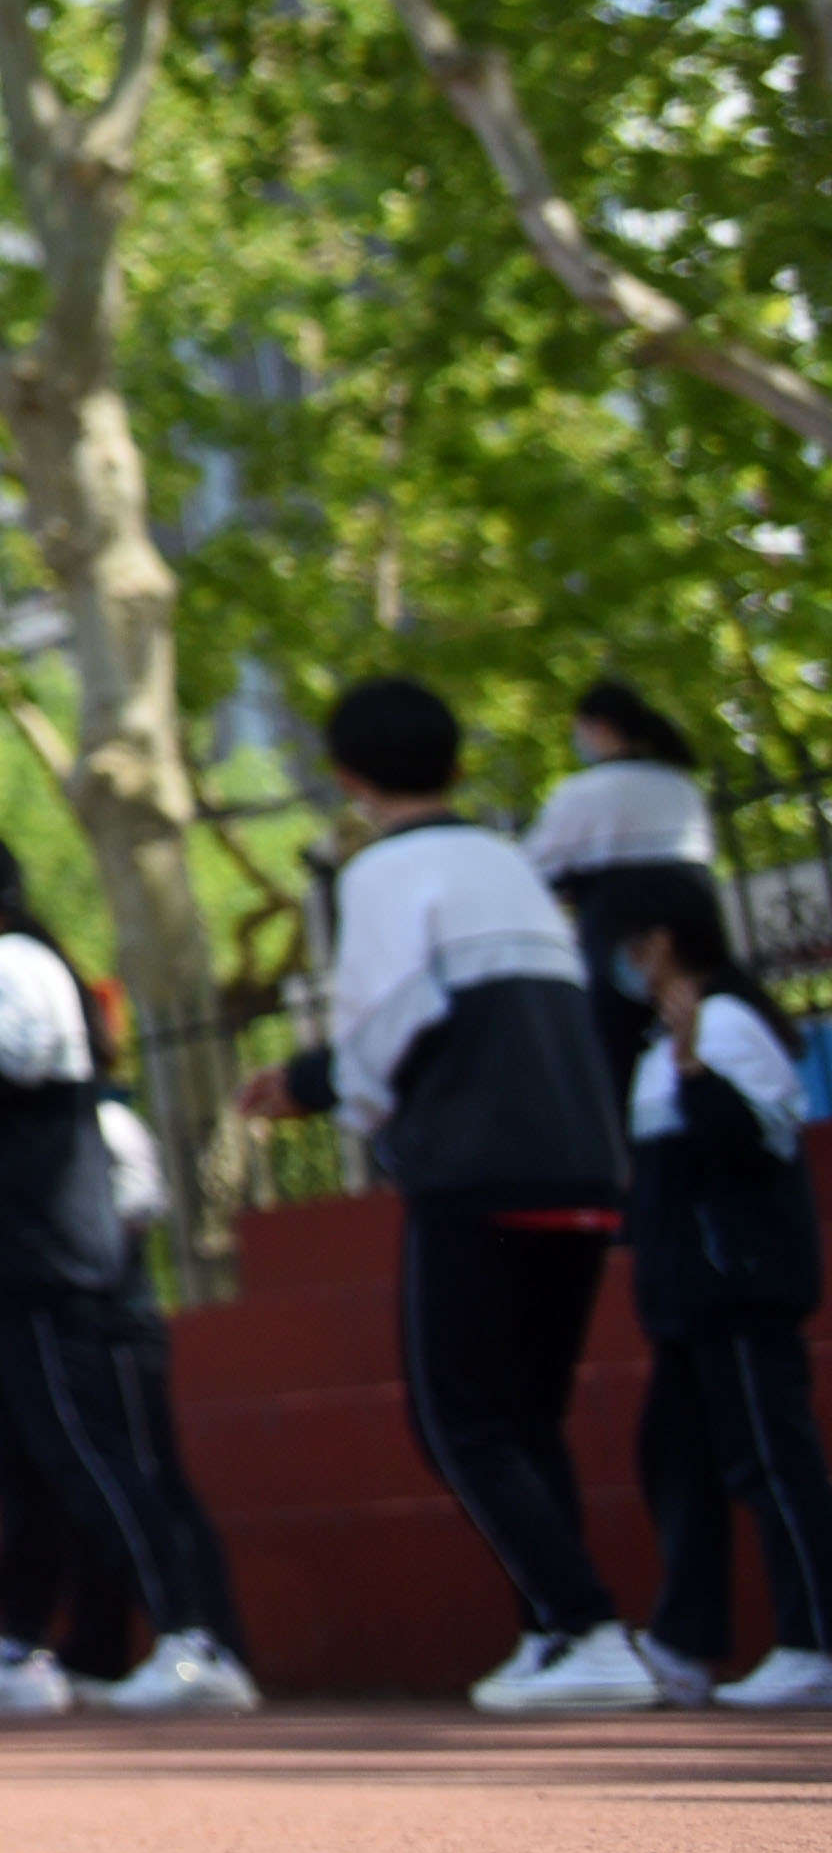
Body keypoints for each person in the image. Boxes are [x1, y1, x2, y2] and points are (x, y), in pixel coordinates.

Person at [242, 677, 653, 1711]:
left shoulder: (383, 869)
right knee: (526, 1414)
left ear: (345, 773)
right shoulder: (506, 859)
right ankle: (555, 1631)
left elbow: (385, 1025)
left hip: (476, 1166)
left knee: (461, 1417)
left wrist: (312, 1087)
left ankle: (587, 1621)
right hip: (580, 1158)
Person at [0, 831, 255, 1716]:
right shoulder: (0, 968)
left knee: (86, 1449)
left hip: (38, 1261)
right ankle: (28, 1646)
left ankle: (190, 1635)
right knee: (15, 1460)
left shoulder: (14, 964)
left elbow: (12, 1062)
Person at [611, 890, 832, 1712]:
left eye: (633, 943)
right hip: (690, 1300)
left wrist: (696, 1064)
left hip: (735, 1288)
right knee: (681, 1460)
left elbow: (751, 1144)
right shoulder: (672, 1037)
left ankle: (815, 1640)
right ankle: (686, 1643)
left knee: (771, 1461)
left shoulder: (726, 1026)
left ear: (663, 941)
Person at [534, 679, 732, 1077]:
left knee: (621, 1057)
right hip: (696, 930)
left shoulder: (583, 792)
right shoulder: (679, 785)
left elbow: (536, 865)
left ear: (598, 727)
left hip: (617, 931)